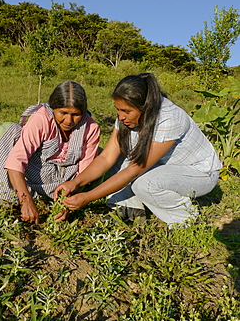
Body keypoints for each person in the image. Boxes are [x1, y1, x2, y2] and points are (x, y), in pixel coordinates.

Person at [54, 73, 222, 228]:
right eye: (118, 110)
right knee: (108, 155)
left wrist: (88, 197)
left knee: (146, 184)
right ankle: (130, 209)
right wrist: (75, 183)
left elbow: (135, 170)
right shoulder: (126, 118)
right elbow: (106, 158)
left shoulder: (169, 119)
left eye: (126, 111)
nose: (120, 117)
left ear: (145, 107)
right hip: (160, 167)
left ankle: (184, 219)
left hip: (198, 173)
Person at [0, 81, 100, 224]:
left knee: (100, 157)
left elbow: (84, 174)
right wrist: (26, 201)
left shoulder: (90, 128)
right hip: (34, 171)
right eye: (63, 113)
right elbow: (16, 161)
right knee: (12, 133)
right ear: (53, 108)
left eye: (76, 114)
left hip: (65, 181)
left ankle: (48, 199)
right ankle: (12, 197)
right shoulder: (42, 119)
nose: (69, 120)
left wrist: (67, 204)